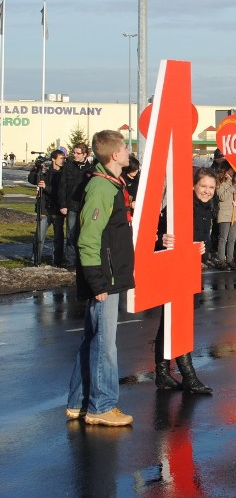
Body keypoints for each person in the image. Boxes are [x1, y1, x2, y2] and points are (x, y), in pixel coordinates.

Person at [66, 130, 135, 426]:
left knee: (93, 339)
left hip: (106, 275)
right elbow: (88, 239)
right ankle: (101, 406)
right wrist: (97, 282)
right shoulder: (101, 188)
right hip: (104, 278)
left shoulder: (110, 182)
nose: (129, 151)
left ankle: (79, 403)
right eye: (125, 147)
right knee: (105, 344)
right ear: (114, 155)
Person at [153, 167, 216, 395]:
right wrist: (163, 238)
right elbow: (157, 234)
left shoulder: (207, 208)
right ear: (193, 186)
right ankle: (189, 376)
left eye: (211, 187)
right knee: (178, 321)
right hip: (172, 270)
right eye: (203, 187)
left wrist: (203, 248)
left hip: (190, 271)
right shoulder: (179, 207)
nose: (207, 191)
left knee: (170, 322)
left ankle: (161, 373)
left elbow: (204, 240)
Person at [58, 143, 94, 270]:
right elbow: (62, 187)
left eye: (78, 153)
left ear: (85, 155)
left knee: (84, 234)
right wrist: (63, 204)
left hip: (85, 206)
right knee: (71, 234)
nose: (75, 155)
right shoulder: (69, 167)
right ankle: (70, 262)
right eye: (74, 152)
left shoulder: (91, 169)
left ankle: (83, 260)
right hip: (71, 206)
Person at [29, 149, 66, 266]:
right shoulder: (45, 172)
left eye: (64, 158)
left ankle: (57, 261)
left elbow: (60, 191)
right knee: (39, 236)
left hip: (57, 209)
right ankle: (35, 259)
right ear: (54, 159)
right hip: (44, 208)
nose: (63, 161)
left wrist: (46, 187)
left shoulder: (64, 173)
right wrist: (36, 167)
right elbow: (32, 179)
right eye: (61, 158)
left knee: (58, 238)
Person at [215, 164, 236, 269]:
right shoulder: (220, 183)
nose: (232, 172)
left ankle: (230, 260)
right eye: (231, 170)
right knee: (223, 239)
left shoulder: (234, 182)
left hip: (235, 214)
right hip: (225, 214)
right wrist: (232, 188)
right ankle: (221, 260)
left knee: (232, 239)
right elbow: (221, 196)